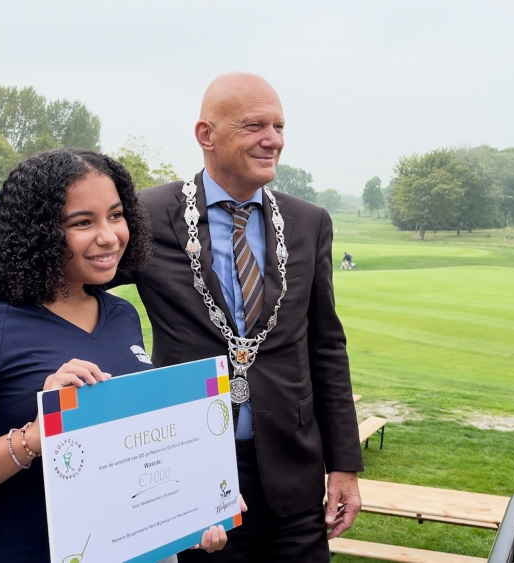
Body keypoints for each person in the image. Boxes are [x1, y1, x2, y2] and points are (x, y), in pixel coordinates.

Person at [0, 148, 230, 562]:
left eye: (115, 215)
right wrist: (35, 437)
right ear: (37, 232)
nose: (108, 236)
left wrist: (185, 514)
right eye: (82, 222)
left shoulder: (121, 314)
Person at [120, 72, 364, 562]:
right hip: (192, 472)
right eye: (254, 125)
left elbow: (326, 347)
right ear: (205, 135)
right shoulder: (147, 214)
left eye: (278, 126)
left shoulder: (308, 222)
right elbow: (76, 291)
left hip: (293, 471)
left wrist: (344, 466)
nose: (272, 139)